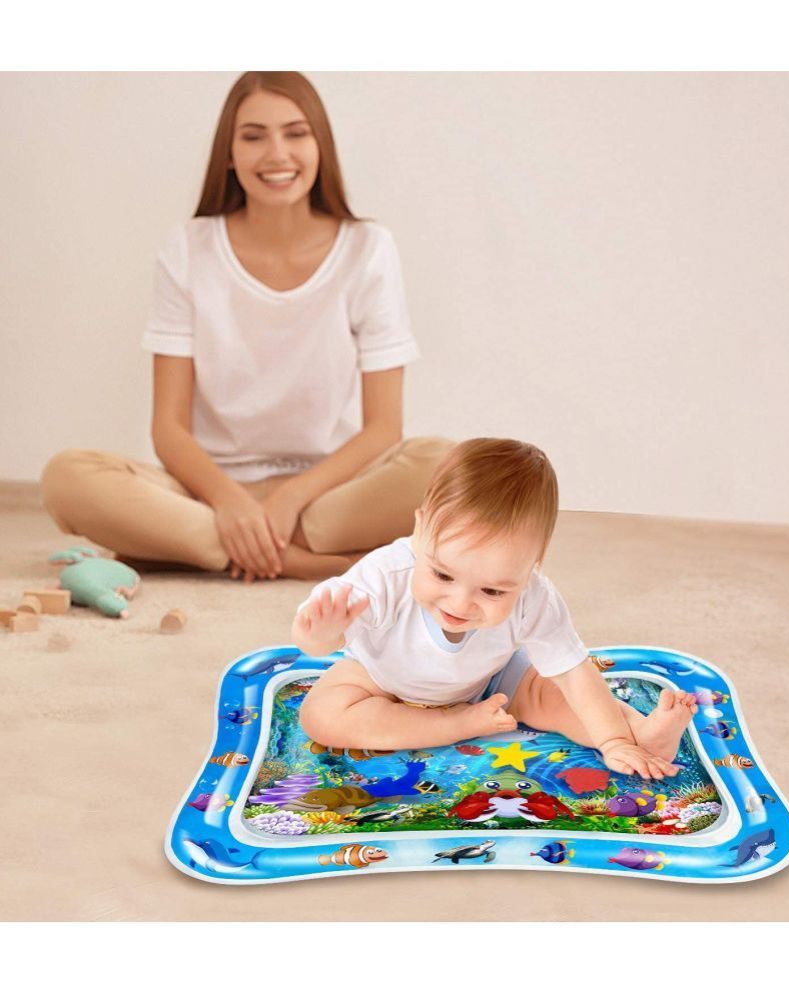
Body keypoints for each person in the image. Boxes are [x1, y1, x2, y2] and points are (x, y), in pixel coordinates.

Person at [41, 71, 452, 581]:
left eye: (296, 133)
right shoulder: (187, 248)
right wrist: (230, 501)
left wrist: (291, 497)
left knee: (450, 464)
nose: (277, 153)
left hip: (328, 494)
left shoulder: (368, 248)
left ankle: (209, 547)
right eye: (254, 136)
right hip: (209, 492)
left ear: (320, 145)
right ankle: (291, 556)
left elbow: (384, 429)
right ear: (229, 155)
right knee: (67, 478)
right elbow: (168, 429)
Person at [292, 438, 698, 779]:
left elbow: (576, 676)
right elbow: (319, 642)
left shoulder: (535, 597)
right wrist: (319, 633)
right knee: (322, 715)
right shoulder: (385, 575)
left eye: (491, 591)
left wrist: (612, 741)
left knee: (550, 696)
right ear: (419, 529)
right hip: (383, 678)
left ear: (530, 569)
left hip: (491, 680)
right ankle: (451, 726)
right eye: (442, 576)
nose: (460, 603)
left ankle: (643, 734)